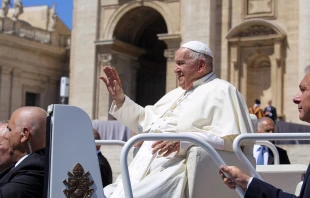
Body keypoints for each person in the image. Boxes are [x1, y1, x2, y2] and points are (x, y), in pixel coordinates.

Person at [101, 41, 255, 198]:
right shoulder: (176, 94)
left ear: (201, 65)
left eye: (181, 63)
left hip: (176, 167)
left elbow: (231, 141)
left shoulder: (223, 90)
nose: (175, 69)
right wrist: (120, 99)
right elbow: (144, 120)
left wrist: (184, 140)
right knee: (105, 193)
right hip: (144, 163)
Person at [219, 72, 310, 197]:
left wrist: (249, 183)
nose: (295, 98)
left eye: (303, 90)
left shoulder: (280, 153)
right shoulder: (242, 152)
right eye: (267, 131)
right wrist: (247, 182)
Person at [0, 106, 46, 198]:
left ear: (25, 134)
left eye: (9, 130)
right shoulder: (25, 164)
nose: (6, 136)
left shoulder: (36, 167)